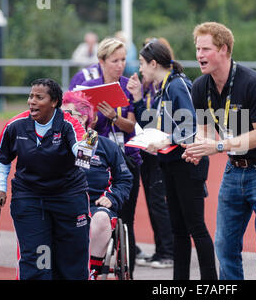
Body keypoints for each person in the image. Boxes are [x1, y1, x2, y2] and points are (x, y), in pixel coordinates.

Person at [183, 22, 256, 280]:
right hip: (235, 170)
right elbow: (206, 132)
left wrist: (218, 146)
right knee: (225, 247)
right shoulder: (200, 87)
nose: (199, 55)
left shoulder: (253, 83)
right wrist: (198, 148)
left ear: (224, 50)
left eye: (205, 49)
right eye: (197, 49)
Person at [127, 40, 217, 280]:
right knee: (178, 231)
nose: (140, 69)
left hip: (188, 164)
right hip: (170, 165)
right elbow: (151, 127)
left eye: (142, 64)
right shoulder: (162, 88)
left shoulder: (177, 85)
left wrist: (167, 140)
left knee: (196, 228)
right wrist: (137, 99)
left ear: (154, 63)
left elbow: (192, 125)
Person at [0, 78, 91, 280]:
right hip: (29, 198)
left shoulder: (68, 124)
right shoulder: (15, 125)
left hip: (68, 197)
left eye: (39, 97)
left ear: (54, 102)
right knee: (38, 257)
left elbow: (80, 153)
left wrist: (87, 147)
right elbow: (2, 158)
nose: (32, 101)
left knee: (71, 260)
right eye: (30, 96)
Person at [80, 37, 142, 278]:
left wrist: (114, 118)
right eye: (114, 60)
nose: (120, 65)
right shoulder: (89, 89)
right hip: (95, 158)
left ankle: (128, 272)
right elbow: (78, 126)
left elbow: (135, 127)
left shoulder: (129, 86)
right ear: (101, 61)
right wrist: (91, 122)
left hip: (126, 158)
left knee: (127, 219)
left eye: (123, 60)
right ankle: (89, 264)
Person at [61, 91, 133, 280]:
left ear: (84, 117)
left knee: (100, 218)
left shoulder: (105, 146)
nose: (63, 119)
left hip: (95, 205)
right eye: (60, 115)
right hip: (63, 203)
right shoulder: (54, 142)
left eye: (68, 114)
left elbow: (125, 179)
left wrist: (112, 197)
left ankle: (90, 272)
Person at [135, 37, 176, 269]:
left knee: (160, 202)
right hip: (148, 151)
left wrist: (139, 101)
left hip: (163, 151)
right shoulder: (147, 82)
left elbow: (162, 123)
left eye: (144, 61)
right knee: (153, 201)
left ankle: (169, 252)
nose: (141, 66)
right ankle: (161, 250)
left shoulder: (170, 84)